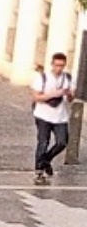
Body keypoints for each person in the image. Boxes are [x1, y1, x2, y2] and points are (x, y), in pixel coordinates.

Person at [35, 51, 74, 184]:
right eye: (57, 65)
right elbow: (36, 97)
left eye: (61, 66)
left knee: (62, 142)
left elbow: (70, 99)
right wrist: (54, 94)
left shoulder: (67, 78)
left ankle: (45, 160)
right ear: (52, 64)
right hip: (43, 115)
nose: (59, 68)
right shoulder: (43, 77)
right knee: (43, 142)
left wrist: (68, 94)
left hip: (60, 116)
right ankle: (39, 170)